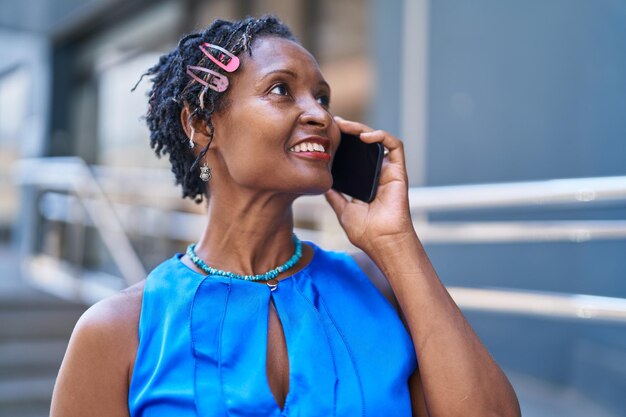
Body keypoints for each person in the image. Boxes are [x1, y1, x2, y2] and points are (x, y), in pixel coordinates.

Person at [50, 15, 520, 417]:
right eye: (281, 90)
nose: (318, 114)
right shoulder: (115, 331)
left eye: (323, 98)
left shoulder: (378, 286)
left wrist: (396, 242)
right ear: (199, 124)